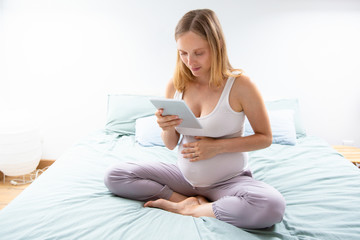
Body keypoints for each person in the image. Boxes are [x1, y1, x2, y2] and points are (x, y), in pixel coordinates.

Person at [104, 9, 285, 229]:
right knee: (116, 176)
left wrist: (217, 147)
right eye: (183, 53)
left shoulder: (241, 86)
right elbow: (171, 144)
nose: (190, 61)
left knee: (271, 206)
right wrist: (165, 127)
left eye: (199, 53)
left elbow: (264, 138)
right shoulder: (176, 85)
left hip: (228, 181)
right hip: (183, 178)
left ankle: (195, 209)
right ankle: (183, 201)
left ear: (217, 44)